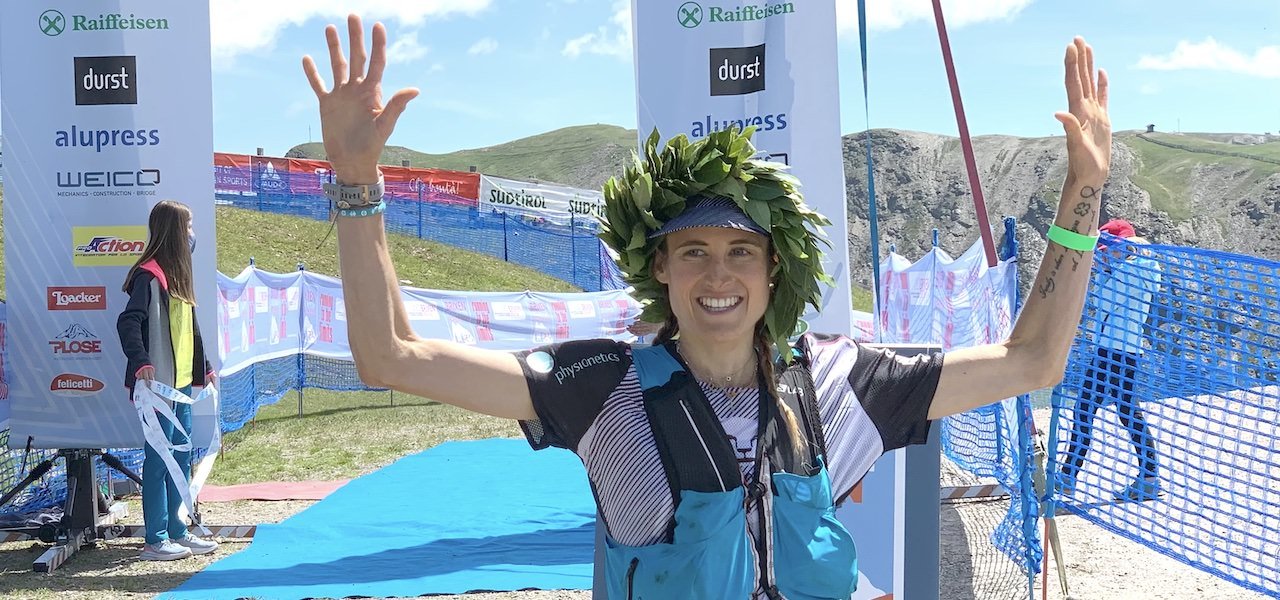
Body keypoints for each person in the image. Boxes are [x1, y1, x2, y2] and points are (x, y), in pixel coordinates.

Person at [303, 15, 1111, 598]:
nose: (717, 274)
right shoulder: (600, 387)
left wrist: (1083, 192)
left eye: (739, 252)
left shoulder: (840, 382)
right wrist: (355, 185)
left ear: (771, 274)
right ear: (661, 269)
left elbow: (1032, 361)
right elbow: (390, 356)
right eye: (693, 251)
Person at [117, 200, 220, 561]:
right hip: (156, 387)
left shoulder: (177, 277)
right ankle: (155, 539)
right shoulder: (148, 275)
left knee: (180, 457)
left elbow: (190, 329)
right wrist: (142, 360)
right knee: (159, 460)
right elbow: (128, 322)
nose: (193, 234)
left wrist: (203, 368)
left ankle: (178, 530)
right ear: (176, 231)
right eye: (189, 227)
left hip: (179, 387)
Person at [1061, 219, 1163, 501]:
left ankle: (1070, 476)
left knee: (1109, 412)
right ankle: (1069, 475)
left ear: (1123, 247)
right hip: (1114, 350)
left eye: (1108, 250)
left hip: (1117, 352)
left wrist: (1103, 272)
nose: (1103, 255)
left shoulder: (1133, 270)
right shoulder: (1132, 268)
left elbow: (1103, 301)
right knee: (1110, 411)